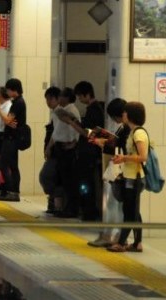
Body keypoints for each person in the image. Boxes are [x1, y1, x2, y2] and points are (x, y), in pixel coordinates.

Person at [106, 101, 148, 253]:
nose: (123, 114)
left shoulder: (139, 133)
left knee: (130, 211)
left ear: (130, 115)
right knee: (133, 211)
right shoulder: (130, 131)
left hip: (135, 178)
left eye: (125, 113)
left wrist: (124, 158)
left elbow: (143, 157)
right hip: (129, 176)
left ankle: (121, 242)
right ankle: (137, 243)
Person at [87, 98, 128, 247]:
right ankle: (111, 235)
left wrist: (102, 142)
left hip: (121, 171)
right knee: (114, 204)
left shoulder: (127, 129)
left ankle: (113, 236)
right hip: (121, 170)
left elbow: (119, 145)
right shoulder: (124, 128)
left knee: (115, 205)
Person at [46, 88, 82, 218]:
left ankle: (71, 209)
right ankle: (62, 207)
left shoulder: (71, 111)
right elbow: (56, 132)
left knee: (69, 181)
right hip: (60, 148)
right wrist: (50, 147)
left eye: (61, 96)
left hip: (68, 149)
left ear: (67, 98)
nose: (59, 99)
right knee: (62, 180)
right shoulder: (60, 111)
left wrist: (73, 143)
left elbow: (78, 129)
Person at [74, 81, 105, 221]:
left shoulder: (94, 110)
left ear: (87, 94)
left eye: (80, 97)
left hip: (89, 154)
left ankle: (89, 211)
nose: (79, 100)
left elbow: (89, 133)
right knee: (87, 183)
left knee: (86, 183)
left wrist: (72, 123)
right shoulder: (94, 108)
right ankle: (88, 210)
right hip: (89, 153)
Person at [0, 78, 26, 202]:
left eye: (8, 89)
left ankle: (12, 191)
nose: (6, 92)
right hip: (11, 137)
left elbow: (7, 120)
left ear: (14, 90)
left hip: (12, 138)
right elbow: (9, 121)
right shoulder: (17, 101)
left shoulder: (18, 103)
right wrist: (8, 121)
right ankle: (11, 191)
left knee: (7, 164)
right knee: (9, 165)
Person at [38, 87, 61, 213]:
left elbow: (56, 133)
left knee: (46, 176)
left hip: (58, 151)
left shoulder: (59, 113)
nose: (47, 102)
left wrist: (49, 147)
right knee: (50, 177)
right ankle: (54, 202)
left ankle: (56, 203)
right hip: (55, 151)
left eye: (49, 99)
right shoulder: (54, 113)